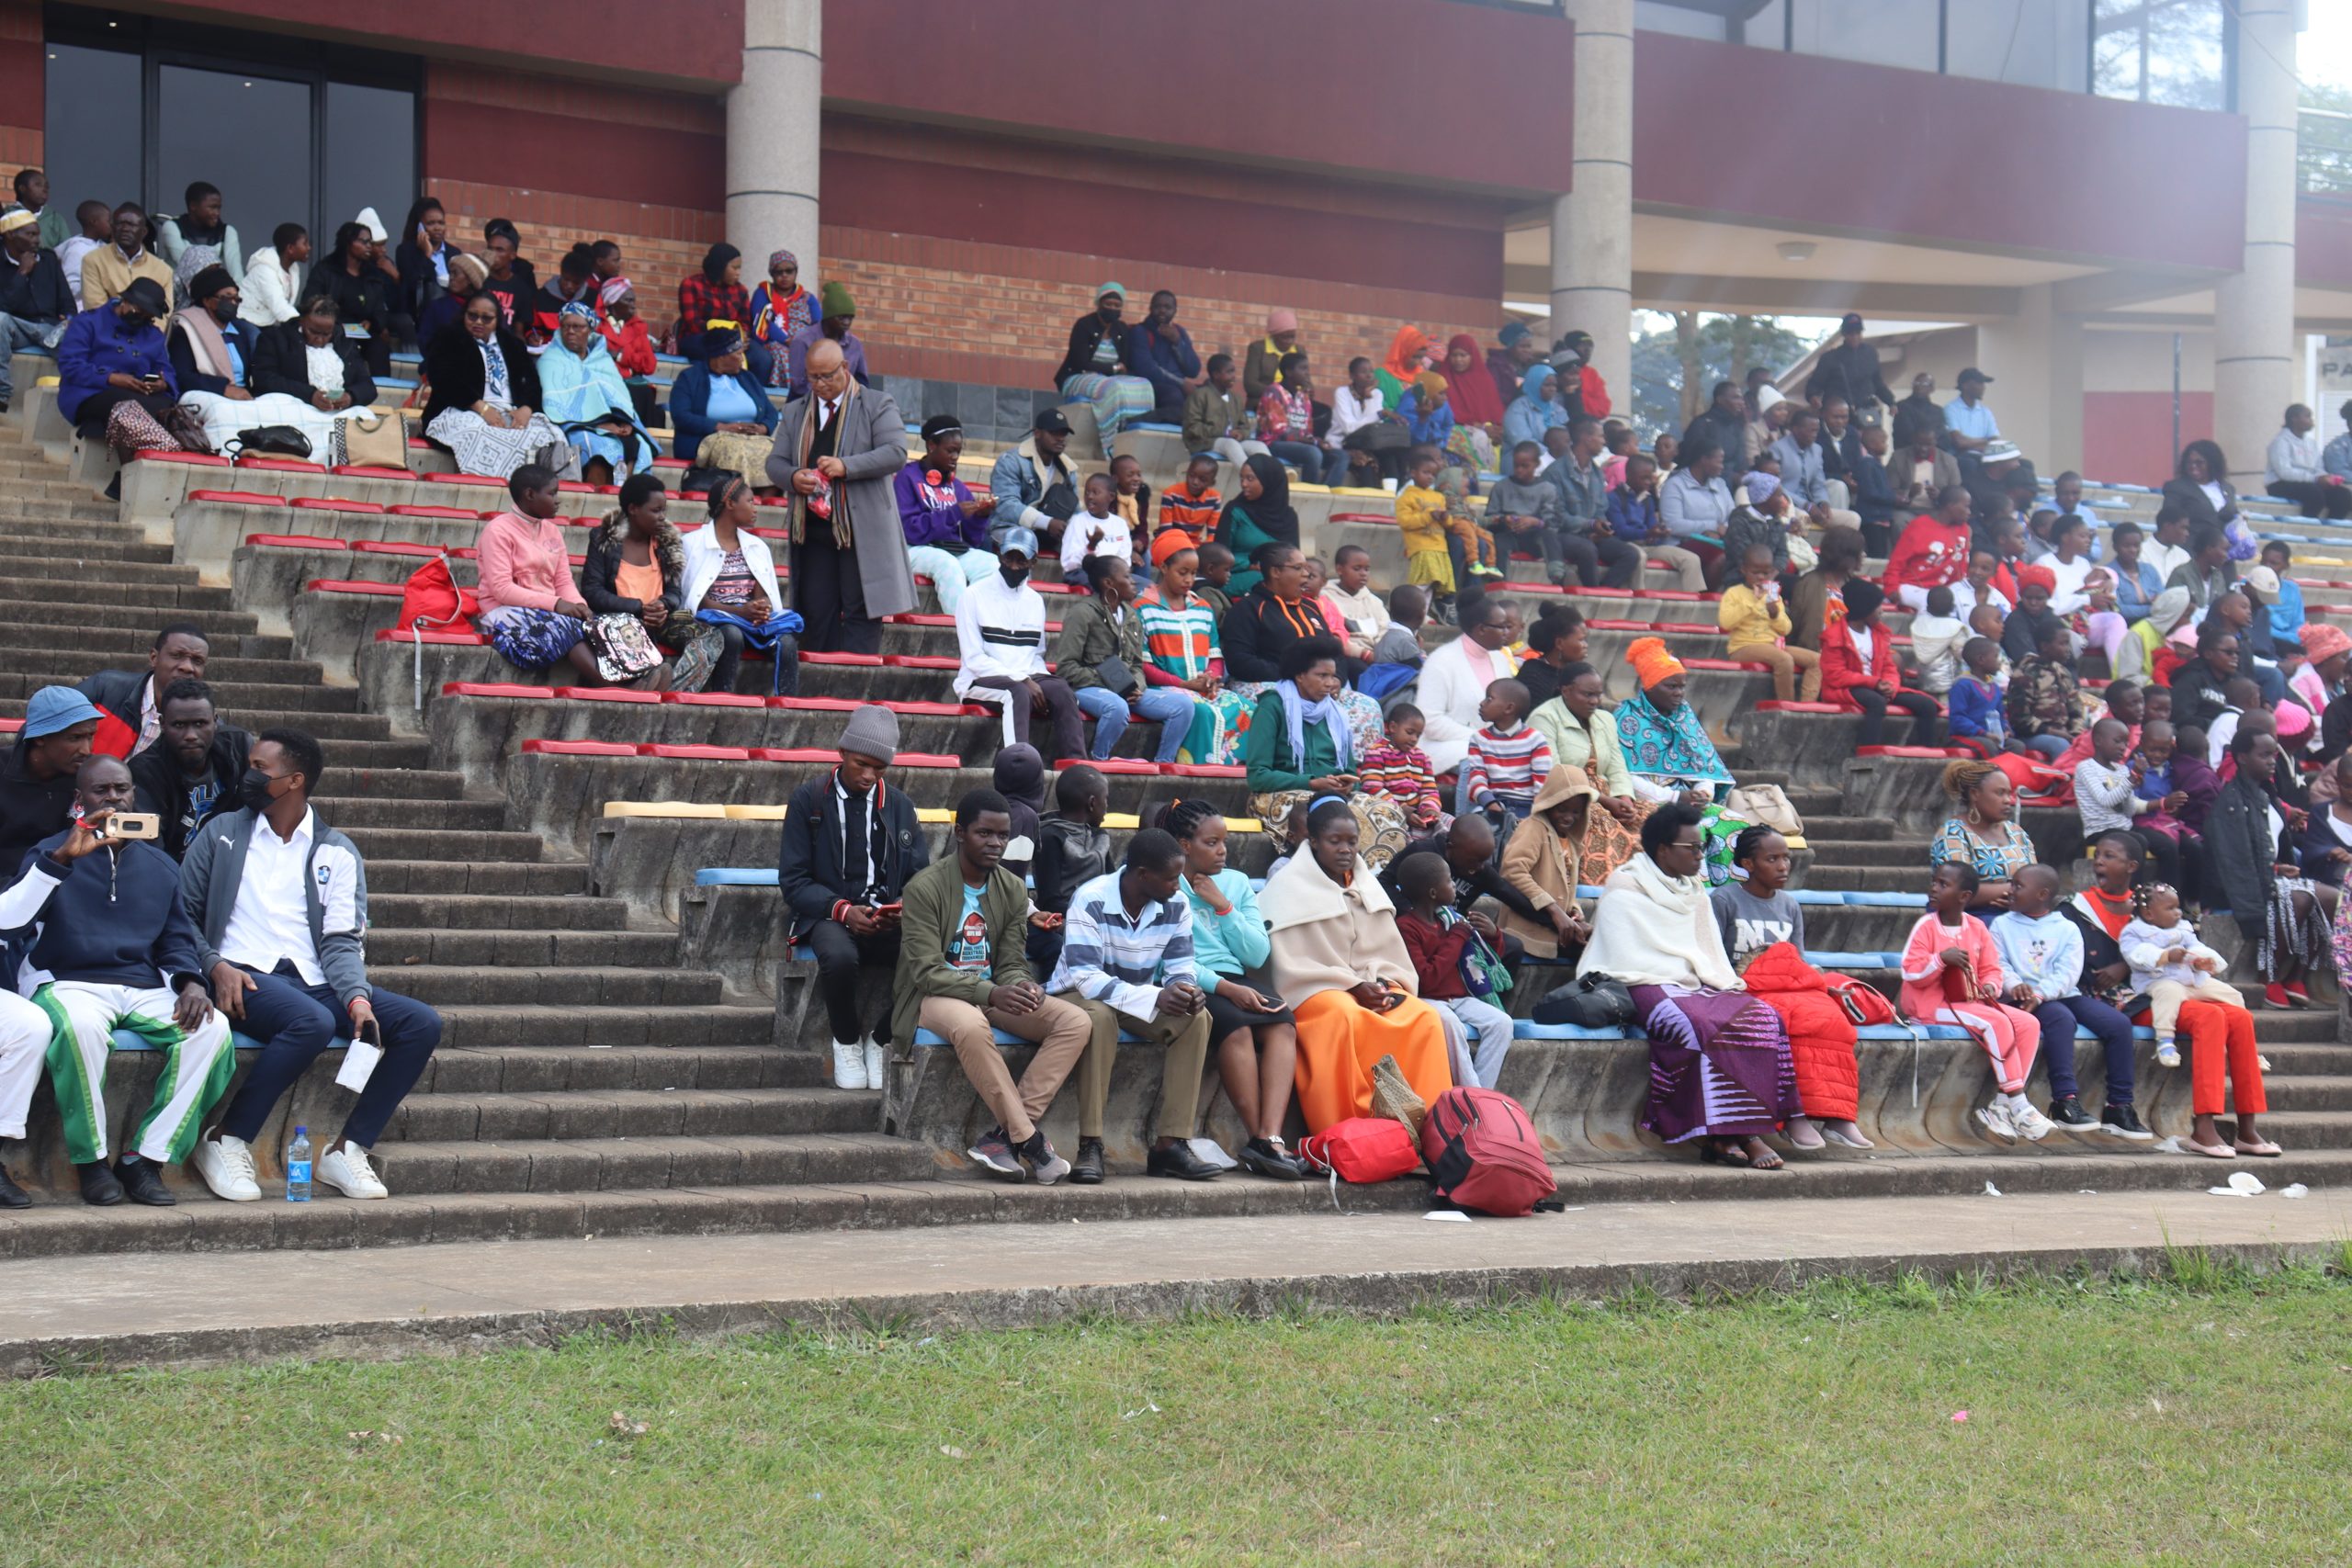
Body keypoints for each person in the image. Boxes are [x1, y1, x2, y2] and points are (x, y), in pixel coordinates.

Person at [169, 727, 441, 1202]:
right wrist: (213, 965)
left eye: (260, 769)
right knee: (310, 1022)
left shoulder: (337, 851)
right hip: (240, 975)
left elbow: (341, 940)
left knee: (420, 1022)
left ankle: (347, 1149)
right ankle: (226, 1137)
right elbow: (181, 916)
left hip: (314, 980)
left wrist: (356, 998)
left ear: (294, 781)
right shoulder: (222, 833)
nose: (248, 776)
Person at [2, 752, 235, 1205]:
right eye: (101, 790)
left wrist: (191, 983)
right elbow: (17, 921)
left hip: (140, 984)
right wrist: (62, 860)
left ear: (134, 794)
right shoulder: (52, 850)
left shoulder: (160, 864)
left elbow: (176, 938)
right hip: (66, 980)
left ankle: (145, 1159)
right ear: (79, 799)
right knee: (80, 1028)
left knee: (212, 1030)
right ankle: (91, 1162)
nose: (113, 798)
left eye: (121, 789)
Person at [1579, 804, 1800, 1169]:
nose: (1701, 855)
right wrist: (1678, 978)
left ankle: (1740, 1131)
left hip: (1694, 980)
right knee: (1694, 1025)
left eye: (1702, 847)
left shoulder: (1694, 888)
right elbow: (1623, 953)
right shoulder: (1625, 884)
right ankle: (1730, 1134)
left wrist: (1712, 983)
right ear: (1664, 849)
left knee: (1763, 1017)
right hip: (1642, 980)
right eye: (1693, 848)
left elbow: (1707, 949)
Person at [893, 787, 1089, 1183]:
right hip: (933, 996)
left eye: (1003, 835)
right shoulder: (924, 888)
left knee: (1074, 1021)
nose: (996, 843)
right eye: (985, 833)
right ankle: (1030, 1141)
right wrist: (992, 992)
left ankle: (1003, 1138)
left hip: (990, 992)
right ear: (960, 833)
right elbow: (926, 972)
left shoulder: (1013, 889)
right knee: (970, 1023)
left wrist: (1023, 985)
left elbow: (1012, 961)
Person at [1261, 798, 1453, 1133]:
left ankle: (1429, 1130)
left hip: (1368, 985)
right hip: (1314, 990)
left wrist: (1382, 983)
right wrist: (1351, 986)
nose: (1345, 850)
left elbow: (1387, 954)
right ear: (1314, 841)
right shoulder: (1286, 887)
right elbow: (1290, 965)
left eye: (1352, 841)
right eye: (1334, 841)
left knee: (1424, 1017)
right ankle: (1350, 1130)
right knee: (1342, 1016)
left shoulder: (1367, 887)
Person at [1045, 829, 1219, 1184]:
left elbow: (1180, 966)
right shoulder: (1091, 898)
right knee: (1100, 1017)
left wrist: (1185, 990)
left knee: (1197, 1018)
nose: (1179, 885)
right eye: (1171, 878)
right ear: (1142, 875)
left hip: (1134, 996)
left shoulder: (1176, 903)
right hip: (1076, 994)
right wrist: (1155, 997)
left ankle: (1171, 1143)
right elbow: (1086, 978)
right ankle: (1090, 1144)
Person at [1158, 799, 1309, 1179]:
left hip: (1236, 976)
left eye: (1224, 841)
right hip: (1188, 980)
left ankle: (1269, 1137)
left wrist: (1223, 907)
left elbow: (1256, 953)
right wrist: (1225, 988)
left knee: (1282, 1022)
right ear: (1184, 845)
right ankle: (1261, 1140)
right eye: (1211, 843)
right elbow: (1164, 959)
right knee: (1236, 1026)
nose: (1222, 850)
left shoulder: (1236, 882)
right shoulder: (1166, 884)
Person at [779, 706, 926, 1090]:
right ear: (842, 752)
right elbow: (793, 881)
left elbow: (920, 877)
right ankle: (846, 1041)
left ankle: (881, 1038)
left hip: (885, 916)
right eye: (862, 764)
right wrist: (843, 910)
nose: (869, 776)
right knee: (839, 957)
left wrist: (902, 907)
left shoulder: (900, 806)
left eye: (880, 769)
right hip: (828, 914)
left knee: (933, 956)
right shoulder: (809, 799)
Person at [1713, 825, 1866, 1149]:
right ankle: (1794, 1117)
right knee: (1787, 1023)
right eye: (1772, 859)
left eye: (1786, 858)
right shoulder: (1725, 899)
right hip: (1742, 988)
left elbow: (1798, 960)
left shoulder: (1789, 905)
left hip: (1786, 987)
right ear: (1748, 864)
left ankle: (1838, 1117)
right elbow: (1713, 956)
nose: (1783, 866)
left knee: (1833, 1021)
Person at [766, 338, 912, 655]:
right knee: (816, 614)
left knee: (861, 613)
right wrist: (793, 477)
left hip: (862, 532)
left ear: (845, 368)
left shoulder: (876, 404)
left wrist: (846, 466)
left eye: (827, 376)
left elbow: (896, 453)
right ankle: (820, 679)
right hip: (814, 534)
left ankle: (855, 679)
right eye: (813, 377)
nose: (820, 385)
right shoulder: (795, 411)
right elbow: (774, 463)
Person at [1989, 863, 2149, 1139]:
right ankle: (2064, 1101)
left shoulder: (2066, 928)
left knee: (2118, 1024)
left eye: (2018, 886)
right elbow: (1998, 963)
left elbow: (2068, 972)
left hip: (2059, 993)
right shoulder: (2002, 924)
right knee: (2061, 1019)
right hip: (2021, 998)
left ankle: (2119, 1106)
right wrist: (2016, 986)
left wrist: (2041, 993)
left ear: (2042, 894)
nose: (2010, 890)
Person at [1900, 862, 2052, 1142]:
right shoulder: (1926, 925)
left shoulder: (1977, 926)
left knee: (2028, 1023)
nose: (1934, 888)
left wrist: (1992, 986)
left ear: (1964, 896)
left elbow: (1992, 969)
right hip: (1930, 1007)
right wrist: (1940, 960)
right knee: (1996, 1022)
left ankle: (2002, 1106)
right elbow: (1910, 971)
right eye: (1934, 882)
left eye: (1943, 884)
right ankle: (2019, 1102)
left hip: (1971, 1003)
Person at [1243, 636, 1408, 867]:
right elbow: (1257, 775)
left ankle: (1373, 883)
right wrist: (1311, 783)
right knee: (1330, 819)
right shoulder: (1272, 707)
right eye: (1322, 675)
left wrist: (1347, 784)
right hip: (1281, 795)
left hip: (1330, 794)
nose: (1331, 683)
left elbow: (1349, 771)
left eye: (1333, 676)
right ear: (1300, 675)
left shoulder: (1336, 713)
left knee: (1386, 813)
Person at [2206, 727, 2330, 1010]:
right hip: (2239, 889)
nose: (2272, 761)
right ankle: (2268, 977)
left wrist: (2280, 868)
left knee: (2334, 899)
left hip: (2270, 876)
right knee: (2301, 899)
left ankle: (2295, 976)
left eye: (2273, 755)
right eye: (2264, 755)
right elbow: (2237, 862)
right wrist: (2262, 894)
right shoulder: (2231, 803)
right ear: (2242, 758)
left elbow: (2268, 850)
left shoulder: (2266, 794)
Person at [472, 464, 610, 685]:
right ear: (530, 495)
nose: (558, 500)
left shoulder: (552, 531)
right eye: (552, 493)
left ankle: (632, 677)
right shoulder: (498, 531)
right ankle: (608, 684)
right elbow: (502, 590)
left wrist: (579, 605)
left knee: (600, 625)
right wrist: (556, 604)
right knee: (566, 625)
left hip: (547, 611)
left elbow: (563, 581)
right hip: (501, 612)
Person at [1054, 554, 1195, 764]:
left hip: (1125, 690)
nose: (1134, 581)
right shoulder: (1082, 613)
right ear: (1108, 583)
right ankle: (1097, 763)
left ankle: (1163, 764)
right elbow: (1066, 668)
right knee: (1117, 707)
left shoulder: (1131, 615)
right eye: (1127, 576)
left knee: (1184, 705)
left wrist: (1135, 686)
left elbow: (1137, 664)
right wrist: (1111, 682)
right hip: (1087, 687)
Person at [1395, 852, 1515, 1091]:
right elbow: (1427, 979)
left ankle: (1481, 1093)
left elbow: (1483, 960)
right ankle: (1472, 1096)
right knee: (1451, 1024)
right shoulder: (1406, 927)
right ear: (1433, 893)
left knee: (1502, 1023)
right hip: (1427, 999)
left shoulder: (1450, 920)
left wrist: (1493, 935)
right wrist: (1458, 936)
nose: (1454, 886)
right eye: (1449, 881)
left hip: (1459, 998)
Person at [422, 292, 567, 479]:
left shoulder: (513, 344)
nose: (478, 322)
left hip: (510, 411)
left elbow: (532, 383)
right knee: (480, 434)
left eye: (487, 318)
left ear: (497, 319)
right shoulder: (449, 337)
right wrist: (481, 408)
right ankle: (486, 488)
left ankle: (528, 490)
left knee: (548, 436)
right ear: (464, 314)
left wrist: (526, 409)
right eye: (472, 316)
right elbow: (442, 378)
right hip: (463, 409)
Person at [675, 475, 792, 696]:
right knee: (731, 634)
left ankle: (787, 705)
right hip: (714, 621)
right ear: (730, 504)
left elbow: (762, 594)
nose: (755, 508)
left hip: (749, 621)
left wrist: (760, 608)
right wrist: (739, 612)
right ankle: (723, 697)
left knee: (787, 643)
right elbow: (697, 600)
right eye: (750, 501)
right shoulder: (692, 544)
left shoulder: (757, 546)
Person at [1136, 546, 1250, 765]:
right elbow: (1144, 665)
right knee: (1203, 712)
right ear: (1164, 568)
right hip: (1163, 687)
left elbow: (1214, 655)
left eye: (1193, 573)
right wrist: (1184, 684)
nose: (1189, 579)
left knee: (1247, 708)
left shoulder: (1202, 608)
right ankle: (1200, 768)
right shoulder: (1143, 607)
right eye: (1182, 572)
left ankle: (1235, 774)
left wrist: (1210, 678)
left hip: (1201, 687)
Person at [55, 276, 179, 463]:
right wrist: (111, 378)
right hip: (91, 392)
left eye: (148, 316)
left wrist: (162, 383)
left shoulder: (153, 334)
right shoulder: (89, 321)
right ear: (125, 301)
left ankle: (141, 464)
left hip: (139, 394)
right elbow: (70, 364)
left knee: (168, 408)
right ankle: (157, 449)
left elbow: (166, 369)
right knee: (125, 403)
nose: (141, 319)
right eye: (138, 311)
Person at [128, 679, 248, 862]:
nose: (191, 735)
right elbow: (150, 848)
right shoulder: (145, 770)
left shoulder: (238, 748)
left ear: (215, 721)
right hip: (173, 868)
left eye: (200, 724)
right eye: (179, 725)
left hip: (231, 861)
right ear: (162, 724)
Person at [539, 304, 657, 485]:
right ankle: (597, 497)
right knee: (595, 448)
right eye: (566, 326)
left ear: (590, 330)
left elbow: (619, 397)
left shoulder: (602, 360)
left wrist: (626, 422)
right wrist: (599, 425)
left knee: (638, 446)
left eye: (577, 327)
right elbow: (556, 405)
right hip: (574, 427)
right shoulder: (550, 360)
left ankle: (625, 496)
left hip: (612, 425)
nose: (570, 331)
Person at [892, 414, 996, 615]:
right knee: (947, 564)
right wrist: (953, 513)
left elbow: (972, 540)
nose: (955, 457)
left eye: (958, 451)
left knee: (992, 565)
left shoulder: (957, 486)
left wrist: (980, 516)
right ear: (931, 445)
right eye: (950, 450)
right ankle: (960, 628)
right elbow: (909, 530)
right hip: (913, 548)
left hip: (951, 549)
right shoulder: (907, 477)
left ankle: (984, 627)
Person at [1494, 764, 1596, 964]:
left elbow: (1567, 886)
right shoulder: (1534, 828)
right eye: (1562, 809)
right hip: (1527, 930)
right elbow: (1513, 871)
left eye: (1575, 812)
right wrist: (1554, 909)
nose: (1568, 817)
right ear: (1550, 803)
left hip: (1558, 930)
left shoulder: (1570, 839)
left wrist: (1574, 912)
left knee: (1600, 946)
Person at [0, 686, 102, 878]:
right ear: (40, 737)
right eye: (75, 738)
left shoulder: (91, 776)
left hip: (67, 884)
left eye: (90, 737)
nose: (86, 750)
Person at [1615, 637, 1734, 802]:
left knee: (1734, 819)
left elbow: (1706, 767)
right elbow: (1621, 775)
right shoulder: (1627, 717)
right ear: (1649, 687)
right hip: (1646, 804)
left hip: (1691, 803)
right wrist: (1674, 797)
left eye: (1682, 686)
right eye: (1671, 686)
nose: (1679, 693)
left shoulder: (1686, 717)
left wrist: (1703, 792)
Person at [581, 471, 684, 655]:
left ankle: (680, 676)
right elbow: (593, 591)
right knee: (634, 635)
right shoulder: (603, 538)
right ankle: (654, 673)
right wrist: (639, 608)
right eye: (656, 510)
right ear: (633, 509)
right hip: (620, 619)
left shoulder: (667, 542)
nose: (662, 516)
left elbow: (674, 591)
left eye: (664, 510)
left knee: (715, 637)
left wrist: (662, 605)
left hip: (661, 620)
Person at [667, 323, 779, 490]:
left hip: (751, 438)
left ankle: (764, 500)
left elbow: (771, 412)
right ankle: (737, 496)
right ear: (721, 356)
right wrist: (721, 427)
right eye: (738, 354)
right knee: (737, 450)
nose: (742, 359)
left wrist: (763, 428)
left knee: (776, 453)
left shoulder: (747, 378)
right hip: (710, 439)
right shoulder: (690, 378)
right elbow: (681, 415)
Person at [77, 622, 210, 760]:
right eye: (177, 655)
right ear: (154, 658)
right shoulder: (105, 689)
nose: (188, 667)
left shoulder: (207, 726)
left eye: (197, 661)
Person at [1928, 759, 2035, 916]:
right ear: (1975, 794)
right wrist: (2015, 891)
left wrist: (2021, 896)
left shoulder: (2017, 832)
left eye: (2009, 793)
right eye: (2000, 793)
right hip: (1971, 916)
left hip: (2017, 914)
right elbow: (1956, 890)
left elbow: (2035, 880)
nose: (2008, 800)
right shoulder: (1953, 834)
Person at [1720, 543, 1819, 703]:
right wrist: (1754, 602)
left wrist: (1775, 615)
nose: (1761, 577)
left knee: (1817, 660)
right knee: (1784, 659)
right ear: (1743, 570)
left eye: (1765, 573)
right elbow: (1726, 623)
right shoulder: (1734, 593)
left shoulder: (1772, 594)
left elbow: (1786, 629)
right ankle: (1786, 706)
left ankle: (1807, 705)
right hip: (1743, 647)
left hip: (1773, 645)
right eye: (1755, 572)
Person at [1053, 282, 1153, 438]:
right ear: (1099, 304)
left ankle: (1132, 435)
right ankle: (1110, 438)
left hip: (1109, 380)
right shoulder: (1084, 325)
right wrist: (1113, 368)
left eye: (1117, 305)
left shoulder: (1121, 328)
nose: (1112, 308)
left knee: (1144, 386)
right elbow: (1081, 363)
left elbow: (1124, 364)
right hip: (1077, 377)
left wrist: (1119, 371)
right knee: (1113, 388)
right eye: (1108, 304)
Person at [300, 220, 398, 377]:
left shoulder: (372, 274)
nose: (369, 246)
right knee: (344, 345)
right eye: (364, 242)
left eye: (370, 242)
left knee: (379, 347)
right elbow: (311, 302)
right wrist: (335, 325)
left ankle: (380, 388)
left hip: (363, 331)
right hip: (332, 330)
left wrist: (372, 322)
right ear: (348, 243)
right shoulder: (326, 269)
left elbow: (379, 309)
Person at [0, 208, 74, 411]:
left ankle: (75, 399)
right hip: (18, 330)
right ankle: (2, 394)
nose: (37, 240)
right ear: (10, 235)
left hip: (51, 329)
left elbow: (67, 301)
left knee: (84, 334)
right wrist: (22, 272)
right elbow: (3, 306)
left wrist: (69, 319)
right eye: (30, 234)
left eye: (37, 234)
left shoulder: (48, 259)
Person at [988, 406, 1080, 556]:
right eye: (1054, 433)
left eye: (1063, 434)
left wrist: (1073, 529)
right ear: (1037, 433)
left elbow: (1075, 511)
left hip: (1050, 532)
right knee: (1023, 540)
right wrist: (1047, 523)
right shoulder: (1011, 461)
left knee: (1083, 548)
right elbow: (1006, 504)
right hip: (1009, 527)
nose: (1060, 438)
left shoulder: (1068, 469)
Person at [1359, 705, 1443, 831]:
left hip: (1416, 815)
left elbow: (1430, 791)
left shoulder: (1422, 758)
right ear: (1393, 727)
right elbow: (1372, 788)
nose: (1414, 739)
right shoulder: (1376, 752)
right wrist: (1401, 810)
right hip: (1385, 813)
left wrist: (1429, 810)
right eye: (1409, 732)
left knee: (1449, 822)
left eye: (1418, 735)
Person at [1255, 350, 1333, 485]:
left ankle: (1327, 493)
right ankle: (1310, 492)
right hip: (1273, 443)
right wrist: (1311, 442)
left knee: (1339, 456)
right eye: (1303, 368)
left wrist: (1318, 441)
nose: (1307, 373)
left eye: (1307, 369)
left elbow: (1307, 430)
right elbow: (1279, 430)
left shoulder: (1303, 396)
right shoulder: (1274, 391)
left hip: (1298, 443)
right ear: (1289, 372)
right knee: (1313, 453)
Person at [79, 202, 173, 311]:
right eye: (120, 224)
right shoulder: (93, 260)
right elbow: (96, 309)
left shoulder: (163, 270)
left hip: (149, 322)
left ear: (144, 232)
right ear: (113, 229)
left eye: (131, 225)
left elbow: (164, 314)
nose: (125, 229)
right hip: (107, 323)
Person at [2263, 403, 2351, 519]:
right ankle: (2304, 527)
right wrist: (2316, 479)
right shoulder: (2280, 442)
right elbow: (2284, 472)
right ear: (2294, 418)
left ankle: (2329, 528)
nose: (2311, 420)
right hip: (2280, 484)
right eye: (2307, 416)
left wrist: (2325, 478)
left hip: (2309, 483)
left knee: (2343, 495)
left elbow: (2318, 468)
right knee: (2314, 494)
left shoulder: (2311, 443)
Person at [677, 243, 755, 368]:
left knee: (763, 359)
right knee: (715, 354)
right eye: (734, 268)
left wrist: (743, 335)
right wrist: (722, 336)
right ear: (720, 266)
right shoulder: (691, 284)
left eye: (739, 268)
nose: (738, 273)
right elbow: (692, 323)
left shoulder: (741, 291)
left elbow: (745, 322)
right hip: (699, 337)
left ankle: (746, 381)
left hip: (733, 340)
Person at [784, 281, 867, 399]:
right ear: (828, 317)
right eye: (841, 318)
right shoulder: (802, 340)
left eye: (850, 318)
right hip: (805, 403)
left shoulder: (855, 344)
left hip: (844, 404)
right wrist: (830, 396)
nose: (847, 322)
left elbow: (862, 382)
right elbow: (798, 385)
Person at [1181, 352, 1264, 468]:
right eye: (1229, 372)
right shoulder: (1200, 395)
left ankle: (1273, 475)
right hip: (1204, 442)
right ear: (1216, 375)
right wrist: (1225, 432)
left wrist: (1241, 434)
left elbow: (1245, 426)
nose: (1234, 376)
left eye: (1234, 371)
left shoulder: (1235, 398)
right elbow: (1193, 427)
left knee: (1259, 446)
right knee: (1230, 444)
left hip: (1231, 441)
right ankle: (1248, 475)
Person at [747, 250, 815, 388]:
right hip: (773, 343)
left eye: (789, 271)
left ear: (796, 272)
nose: (784, 275)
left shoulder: (807, 298)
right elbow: (763, 320)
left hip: (803, 344)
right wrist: (787, 340)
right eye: (779, 272)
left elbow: (817, 324)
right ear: (772, 274)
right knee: (780, 352)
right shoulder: (764, 293)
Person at [391, 198, 458, 334]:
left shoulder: (454, 253)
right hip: (421, 317)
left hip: (450, 315)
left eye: (441, 223)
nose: (437, 228)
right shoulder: (406, 251)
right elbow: (413, 284)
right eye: (431, 223)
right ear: (420, 227)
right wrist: (427, 254)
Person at [232, 220, 309, 333]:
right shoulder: (264, 269)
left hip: (269, 323)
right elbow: (279, 305)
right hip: (248, 320)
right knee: (258, 341)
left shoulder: (294, 268)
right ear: (290, 248)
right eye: (305, 244)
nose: (309, 248)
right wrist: (304, 326)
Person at [2163, 439, 2242, 539]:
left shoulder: (2228, 489)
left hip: (2223, 547)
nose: (2193, 466)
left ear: (2212, 463)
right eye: (2189, 462)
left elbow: (2233, 516)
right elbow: (2170, 520)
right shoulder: (2176, 487)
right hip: (2191, 546)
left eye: (2199, 462)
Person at [1503, 364, 1566, 452]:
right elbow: (1523, 442)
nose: (1552, 389)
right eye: (1547, 385)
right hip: (1522, 457)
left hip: (1554, 456)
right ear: (1535, 384)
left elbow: (1563, 436)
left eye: (1554, 385)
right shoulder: (1517, 409)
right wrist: (1549, 455)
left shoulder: (1556, 408)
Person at [1941, 367, 1999, 460]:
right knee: (1970, 463)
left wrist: (1969, 443)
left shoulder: (1985, 412)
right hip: (1960, 458)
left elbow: (1995, 442)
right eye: (1979, 383)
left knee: (2022, 463)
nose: (1983, 387)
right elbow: (1959, 442)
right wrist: (1985, 441)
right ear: (1965, 385)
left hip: (1983, 456)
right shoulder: (1951, 409)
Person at [7, 166, 64, 250]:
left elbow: (66, 249)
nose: (44, 190)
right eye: (38, 185)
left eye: (46, 186)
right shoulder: (7, 215)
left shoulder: (55, 218)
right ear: (22, 189)